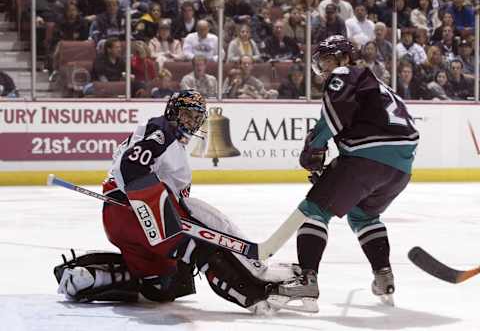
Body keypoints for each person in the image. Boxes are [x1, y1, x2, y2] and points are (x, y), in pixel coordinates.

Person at [54, 90, 296, 314]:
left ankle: (88, 277)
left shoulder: (160, 136)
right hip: (139, 213)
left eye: (195, 118)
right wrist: (146, 204)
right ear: (172, 111)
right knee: (204, 244)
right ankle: (255, 293)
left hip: (119, 220)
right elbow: (131, 166)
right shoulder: (162, 134)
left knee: (163, 286)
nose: (190, 123)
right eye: (186, 115)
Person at [270, 35, 419, 312]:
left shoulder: (344, 73)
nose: (325, 69)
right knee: (363, 215)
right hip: (400, 169)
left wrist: (314, 146)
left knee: (314, 211)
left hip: (367, 159)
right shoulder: (382, 86)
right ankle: (384, 276)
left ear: (343, 58)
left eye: (327, 61)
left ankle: (306, 280)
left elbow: (332, 116)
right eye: (322, 64)